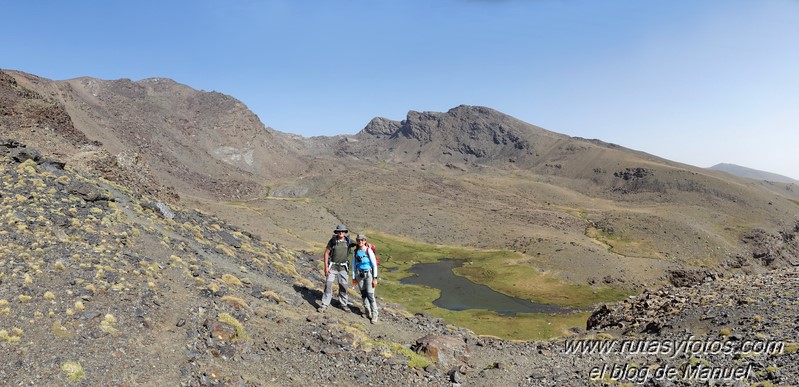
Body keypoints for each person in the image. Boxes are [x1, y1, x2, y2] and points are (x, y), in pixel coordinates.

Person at [319, 224, 355, 312]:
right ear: (337, 232)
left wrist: (368, 244)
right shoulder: (333, 241)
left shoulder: (348, 241)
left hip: (343, 267)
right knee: (328, 284)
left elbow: (360, 244)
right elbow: (326, 253)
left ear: (345, 232)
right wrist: (326, 267)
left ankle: (343, 304)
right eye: (339, 231)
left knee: (343, 286)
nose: (341, 232)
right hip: (333, 266)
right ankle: (324, 304)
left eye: (343, 231)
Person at [351, 234, 379, 323]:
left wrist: (375, 278)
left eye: (362, 240)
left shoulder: (368, 251)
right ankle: (367, 312)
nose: (360, 242)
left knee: (370, 295)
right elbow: (353, 265)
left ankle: (375, 315)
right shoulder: (355, 252)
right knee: (363, 294)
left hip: (369, 275)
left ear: (365, 241)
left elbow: (374, 264)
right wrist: (354, 277)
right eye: (358, 240)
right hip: (359, 275)